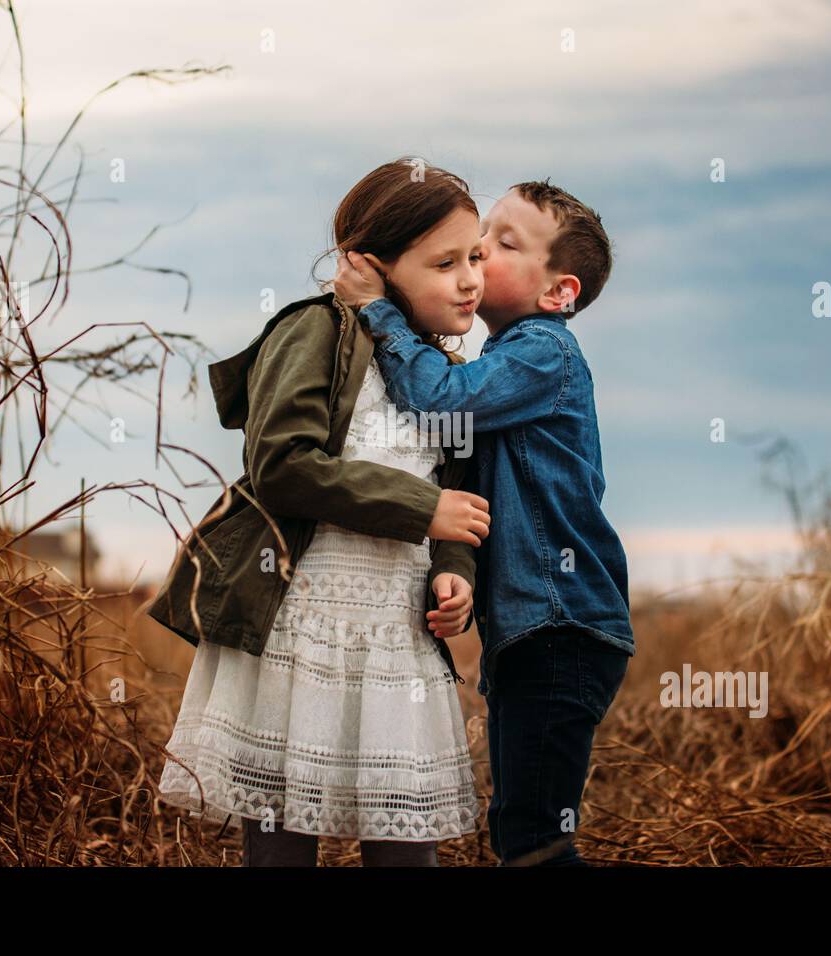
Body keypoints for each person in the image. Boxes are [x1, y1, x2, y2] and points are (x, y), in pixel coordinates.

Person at [147, 158, 491, 866]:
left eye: (477, 257)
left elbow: (454, 497)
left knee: (404, 840)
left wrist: (454, 572)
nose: (469, 280)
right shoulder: (314, 332)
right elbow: (282, 464)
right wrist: (422, 508)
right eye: (445, 262)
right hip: (299, 622)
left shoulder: (443, 374)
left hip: (394, 631)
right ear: (367, 264)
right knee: (280, 837)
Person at [334, 178, 633, 866]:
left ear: (560, 292)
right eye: (477, 239)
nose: (479, 252)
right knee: (521, 831)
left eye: (502, 243)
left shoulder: (543, 352)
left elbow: (439, 401)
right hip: (535, 630)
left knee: (533, 842)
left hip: (564, 627)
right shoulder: (504, 359)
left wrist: (380, 311)